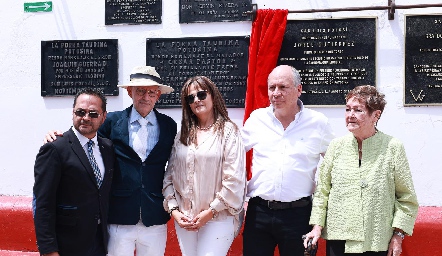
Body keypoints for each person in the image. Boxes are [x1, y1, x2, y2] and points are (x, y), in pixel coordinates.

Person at [44, 66, 177, 256]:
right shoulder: (111, 121)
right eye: (140, 91)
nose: (145, 97)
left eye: (151, 92)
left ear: (158, 95)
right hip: (118, 216)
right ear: (130, 92)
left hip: (154, 216)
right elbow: (83, 135)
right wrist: (57, 136)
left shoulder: (169, 125)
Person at [303, 85, 419, 256]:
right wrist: (317, 227)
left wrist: (398, 235)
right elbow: (322, 192)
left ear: (376, 115)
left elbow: (407, 198)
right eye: (348, 109)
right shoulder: (336, 146)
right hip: (338, 238)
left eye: (358, 110)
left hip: (376, 239)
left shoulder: (392, 147)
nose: (350, 115)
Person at [241, 65, 335, 256]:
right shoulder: (257, 119)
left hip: (299, 216)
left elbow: (336, 164)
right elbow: (231, 155)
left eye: (282, 87)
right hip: (259, 213)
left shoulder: (318, 123)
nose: (276, 93)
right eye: (272, 87)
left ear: (299, 89)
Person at [163, 76, 246, 256]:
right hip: (185, 219)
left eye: (201, 94)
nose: (196, 100)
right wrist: (174, 211)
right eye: (190, 98)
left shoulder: (228, 131)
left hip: (218, 218)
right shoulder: (182, 135)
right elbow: (169, 177)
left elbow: (234, 180)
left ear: (213, 96)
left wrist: (210, 211)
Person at [34, 89, 115, 256]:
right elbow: (43, 204)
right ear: (73, 112)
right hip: (67, 245)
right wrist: (48, 249)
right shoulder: (55, 148)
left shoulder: (108, 148)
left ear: (103, 117)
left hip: (99, 241)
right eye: (80, 112)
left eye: (93, 113)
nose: (85, 118)